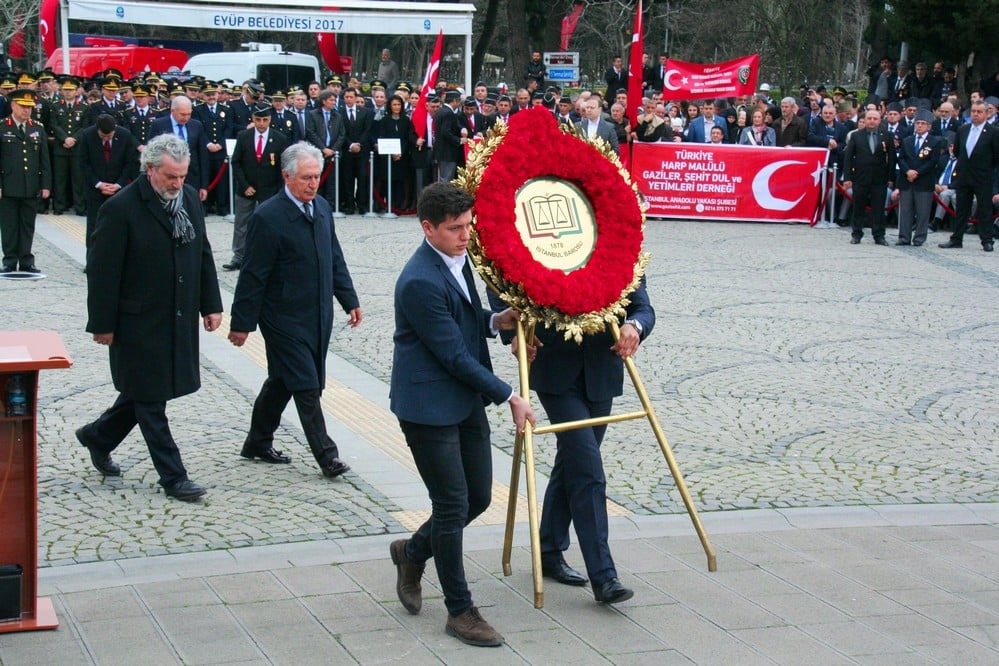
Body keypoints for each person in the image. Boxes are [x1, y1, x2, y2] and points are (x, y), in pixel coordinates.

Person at [388, 182, 535, 648]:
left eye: (468, 225)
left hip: (463, 399)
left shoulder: (458, 258)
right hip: (427, 406)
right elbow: (451, 353)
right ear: (427, 228)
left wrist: (494, 320)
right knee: (451, 505)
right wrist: (510, 395)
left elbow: (463, 316)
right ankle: (460, 610)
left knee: (477, 498)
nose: (465, 235)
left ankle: (412, 551)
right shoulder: (418, 281)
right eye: (454, 228)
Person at [76, 134, 222, 502]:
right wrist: (102, 324)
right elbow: (103, 272)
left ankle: (98, 436)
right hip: (137, 322)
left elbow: (202, 252)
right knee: (150, 400)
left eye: (183, 176)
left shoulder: (188, 199)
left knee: (144, 392)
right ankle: (174, 477)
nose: (177, 184)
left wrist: (211, 304)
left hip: (176, 317)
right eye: (171, 177)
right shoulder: (121, 208)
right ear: (151, 169)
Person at [499, 276, 654, 605]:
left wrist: (635, 326)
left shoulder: (615, 248)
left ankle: (549, 548)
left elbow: (642, 306)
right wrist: (514, 333)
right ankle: (604, 576)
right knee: (588, 470)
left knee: (573, 460)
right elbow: (501, 278)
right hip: (555, 369)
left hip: (602, 370)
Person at [228, 142, 361, 477]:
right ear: (287, 177)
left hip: (317, 314)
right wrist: (241, 323)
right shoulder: (268, 216)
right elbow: (253, 274)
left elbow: (334, 257)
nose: (313, 184)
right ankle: (327, 456)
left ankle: (257, 441)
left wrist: (349, 299)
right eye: (305, 178)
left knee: (282, 380)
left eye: (316, 177)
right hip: (282, 317)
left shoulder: (322, 209)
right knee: (305, 383)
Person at [225, 103, 289, 271]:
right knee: (242, 223)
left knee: (269, 224)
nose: (261, 124)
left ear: (270, 119)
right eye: (258, 120)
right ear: (253, 119)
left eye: (265, 120)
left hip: (270, 190)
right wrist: (245, 185)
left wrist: (279, 191)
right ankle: (239, 255)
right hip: (246, 188)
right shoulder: (244, 136)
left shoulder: (280, 138)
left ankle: (268, 255)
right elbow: (236, 163)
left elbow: (283, 167)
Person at [0, 89, 52, 273]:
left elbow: (44, 160)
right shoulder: (2, 127)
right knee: (9, 225)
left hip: (31, 184)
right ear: (13, 105)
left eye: (29, 107)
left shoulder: (37, 128)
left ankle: (26, 260)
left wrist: (46, 185)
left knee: (28, 224)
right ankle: (9, 260)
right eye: (23, 106)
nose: (27, 110)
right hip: (8, 184)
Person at [938, 100, 999, 252]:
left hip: (983, 177)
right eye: (973, 111)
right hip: (964, 176)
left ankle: (987, 240)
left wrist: (986, 169)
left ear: (986, 114)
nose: (976, 114)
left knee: (984, 209)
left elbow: (996, 156)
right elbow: (958, 151)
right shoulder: (963, 129)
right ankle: (956, 238)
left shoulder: (993, 132)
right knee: (961, 209)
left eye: (979, 112)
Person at [77, 114, 140, 253]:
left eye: (109, 136)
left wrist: (118, 184)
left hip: (118, 191)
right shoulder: (87, 135)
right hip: (95, 190)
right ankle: (92, 258)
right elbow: (83, 163)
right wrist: (98, 184)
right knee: (94, 227)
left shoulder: (125, 135)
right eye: (102, 136)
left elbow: (130, 163)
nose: (106, 139)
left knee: (118, 227)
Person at [842, 109, 895, 245]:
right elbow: (848, 158)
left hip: (879, 178)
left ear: (879, 121)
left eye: (875, 119)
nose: (872, 121)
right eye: (869, 118)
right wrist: (847, 178)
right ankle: (856, 234)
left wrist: (891, 178)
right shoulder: (856, 136)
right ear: (864, 120)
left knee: (879, 208)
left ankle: (879, 235)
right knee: (858, 207)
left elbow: (892, 158)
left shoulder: (887, 136)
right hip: (860, 177)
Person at [893, 109, 942, 246]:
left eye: (922, 123)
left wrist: (917, 173)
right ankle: (904, 237)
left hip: (924, 181)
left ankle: (919, 237)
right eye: (917, 123)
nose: (919, 125)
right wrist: (908, 171)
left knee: (922, 212)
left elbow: (933, 162)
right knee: (905, 211)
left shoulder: (934, 142)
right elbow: (901, 158)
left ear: (929, 126)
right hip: (907, 180)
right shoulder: (907, 140)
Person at [148, 95, 210, 202]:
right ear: (173, 111)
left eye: (189, 114)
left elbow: (202, 156)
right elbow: (151, 153)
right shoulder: (158, 125)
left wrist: (204, 185)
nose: (186, 118)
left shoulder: (196, 125)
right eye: (183, 114)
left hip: (192, 177)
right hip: (168, 177)